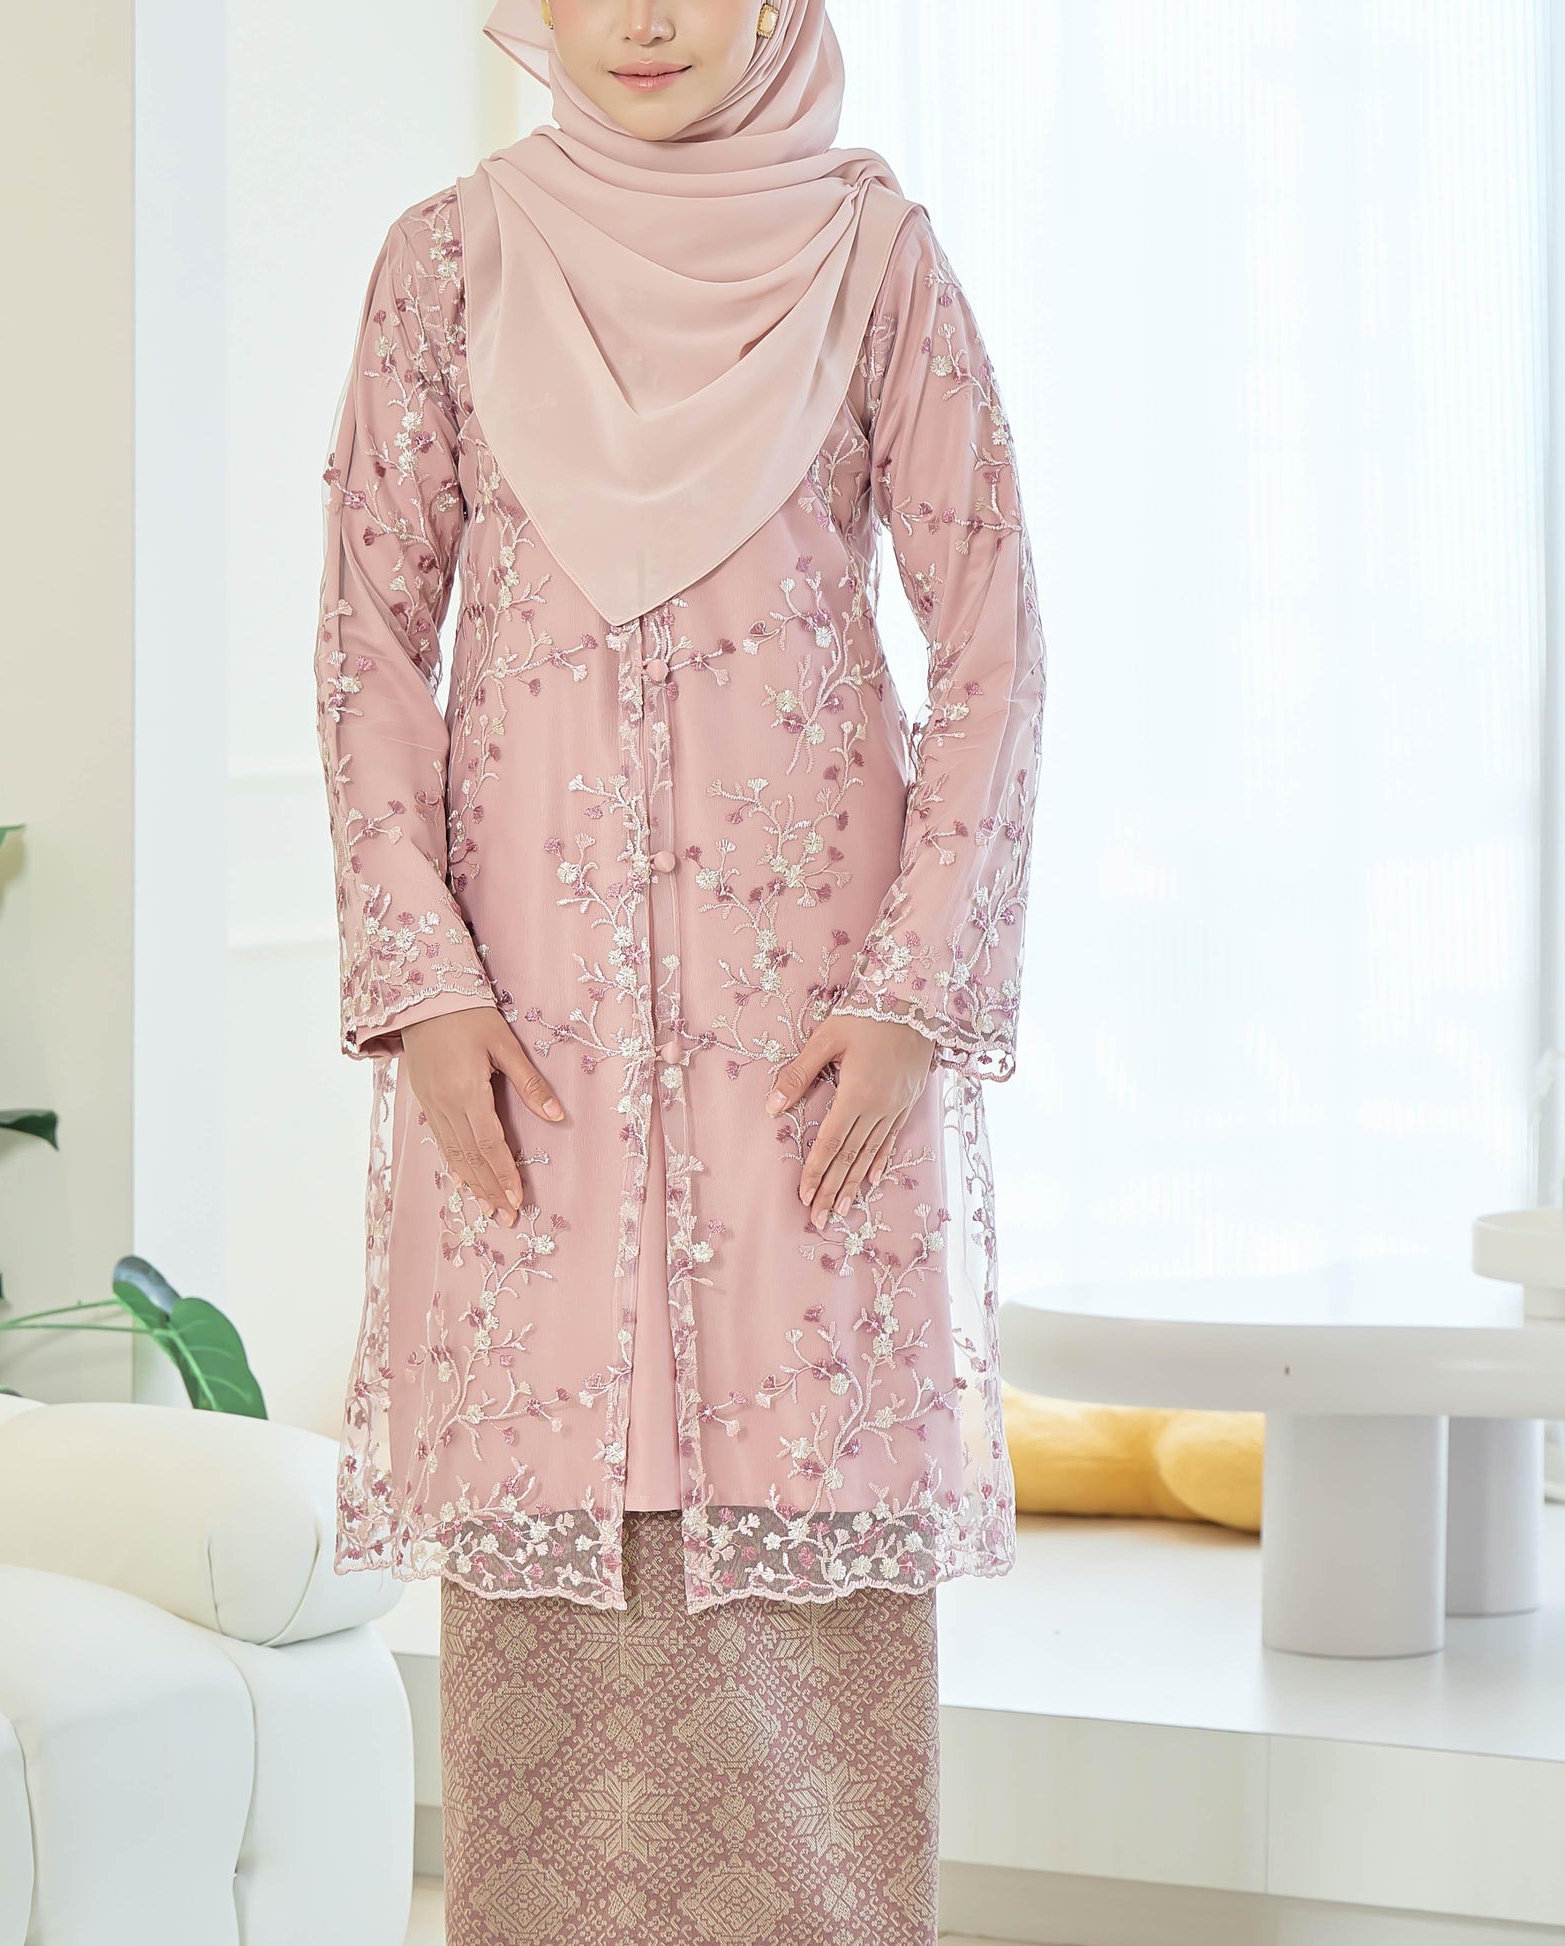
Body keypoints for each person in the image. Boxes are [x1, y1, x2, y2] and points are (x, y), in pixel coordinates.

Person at [312, 2, 1047, 1938]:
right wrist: (424, 982)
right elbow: (368, 642)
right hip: (528, 1072)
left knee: (808, 1633)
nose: (645, 18)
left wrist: (908, 994)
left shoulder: (872, 263)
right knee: (554, 1673)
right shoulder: (448, 269)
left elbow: (990, 647)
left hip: (806, 1080)